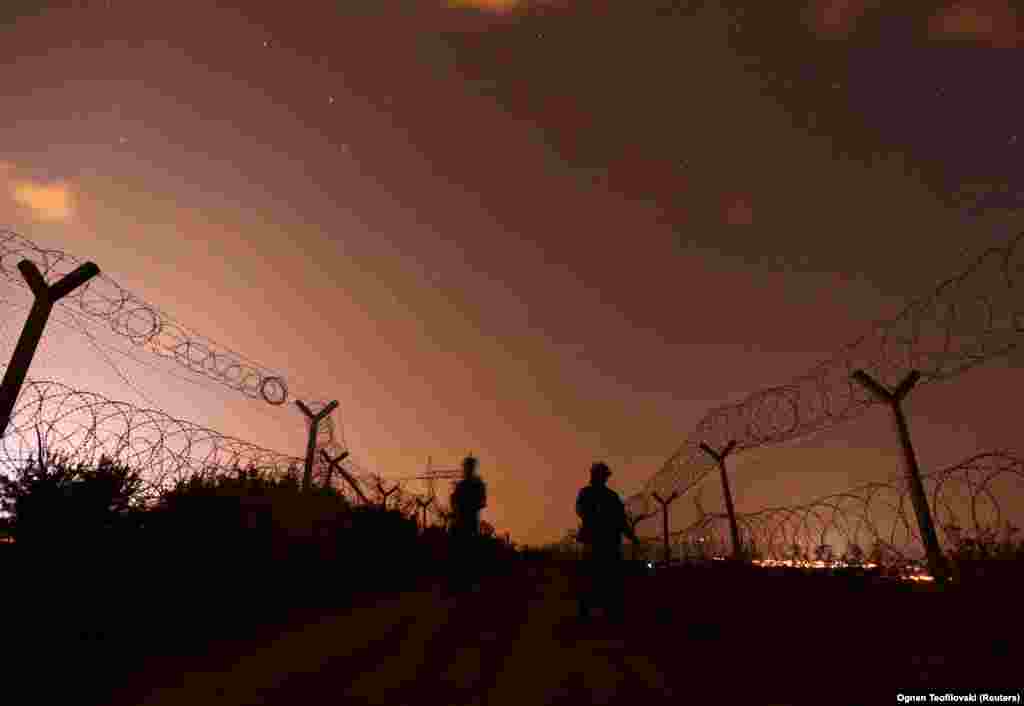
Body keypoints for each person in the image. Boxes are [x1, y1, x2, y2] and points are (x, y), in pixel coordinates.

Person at [575, 461, 638, 621]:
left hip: (596, 542)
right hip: (607, 543)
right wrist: (631, 536)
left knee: (594, 578)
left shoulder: (588, 494)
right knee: (606, 578)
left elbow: (582, 511)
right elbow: (621, 520)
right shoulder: (610, 496)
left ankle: (590, 611)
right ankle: (605, 611)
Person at [448, 455, 487, 594]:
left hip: (469, 521)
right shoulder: (462, 485)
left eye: (468, 466)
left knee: (469, 552)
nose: (466, 469)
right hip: (460, 521)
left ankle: (469, 583)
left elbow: (482, 503)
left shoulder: (477, 484)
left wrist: (465, 504)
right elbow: (453, 503)